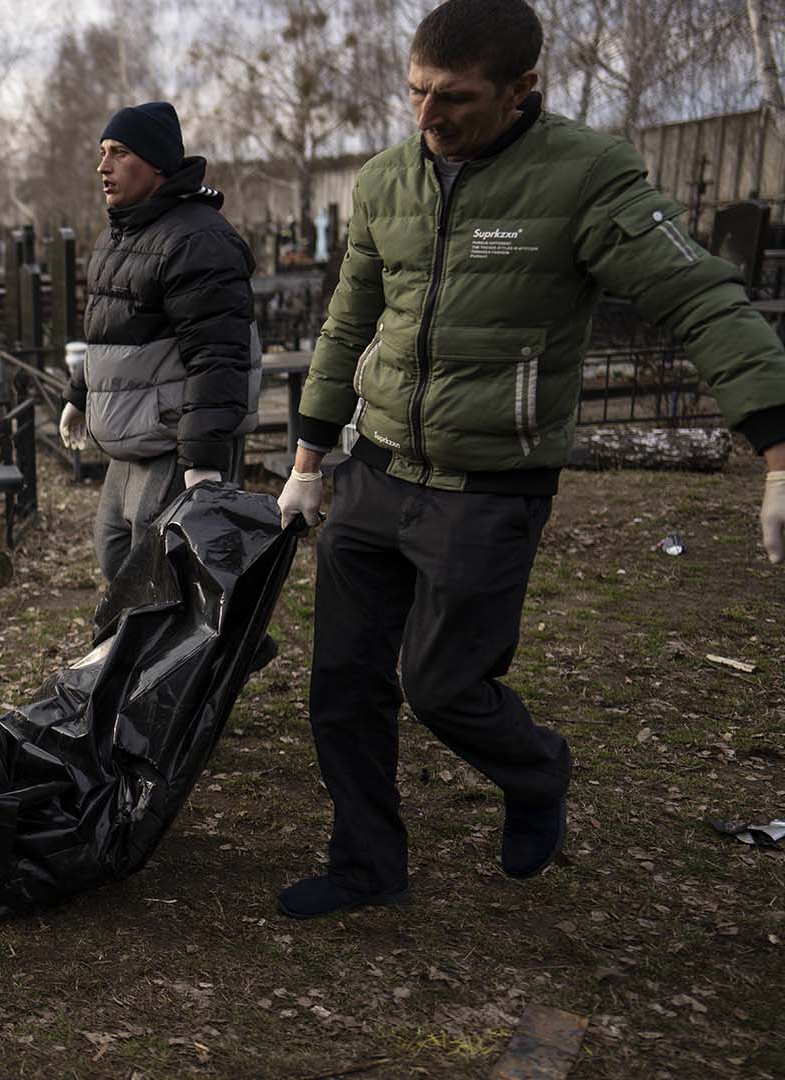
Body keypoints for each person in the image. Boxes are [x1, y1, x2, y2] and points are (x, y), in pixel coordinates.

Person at [274, 0, 785, 920]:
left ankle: (537, 772)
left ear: (521, 91)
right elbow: (350, 320)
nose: (427, 118)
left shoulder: (585, 178)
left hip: (488, 488)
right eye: (416, 92)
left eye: (455, 98)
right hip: (376, 472)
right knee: (343, 684)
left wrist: (780, 452)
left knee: (441, 685)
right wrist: (309, 456)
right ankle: (366, 864)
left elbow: (704, 299)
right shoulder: (388, 179)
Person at [61, 101, 260, 582]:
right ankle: (134, 656)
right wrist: (79, 392)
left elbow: (219, 355)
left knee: (164, 584)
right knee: (117, 560)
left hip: (175, 442)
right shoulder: (122, 234)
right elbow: (114, 334)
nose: (102, 166)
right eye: (102, 152)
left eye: (120, 153)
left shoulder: (197, 241)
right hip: (131, 438)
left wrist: (203, 463)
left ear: (156, 164)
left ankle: (196, 660)